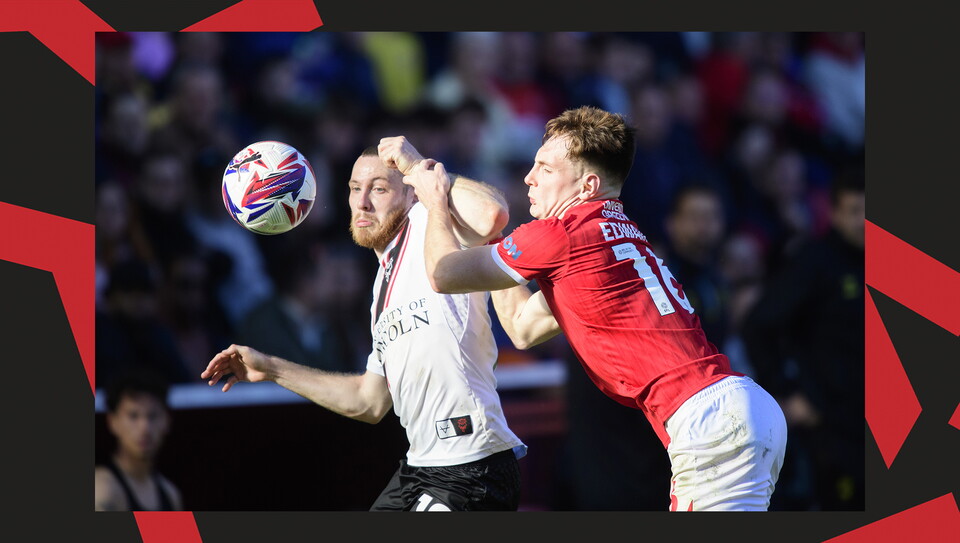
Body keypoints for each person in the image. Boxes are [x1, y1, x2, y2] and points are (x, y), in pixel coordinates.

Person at [399, 105, 787, 511]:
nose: (529, 179)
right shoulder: (622, 236)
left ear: (587, 186)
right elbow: (522, 327)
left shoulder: (563, 233)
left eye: (545, 169)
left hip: (710, 423)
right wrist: (489, 236)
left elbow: (443, 273)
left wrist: (434, 199)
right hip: (739, 410)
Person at [201, 140, 527, 512]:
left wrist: (420, 167)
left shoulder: (430, 225)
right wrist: (272, 368)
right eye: (355, 188)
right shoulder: (381, 287)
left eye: (379, 188)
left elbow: (491, 214)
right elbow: (368, 401)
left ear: (411, 194)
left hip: (472, 466)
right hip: (421, 467)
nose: (362, 201)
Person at [741, 165, 865, 510]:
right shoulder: (815, 261)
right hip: (833, 432)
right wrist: (788, 392)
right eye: (854, 211)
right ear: (835, 213)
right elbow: (758, 325)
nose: (864, 222)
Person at [95, 369, 183, 511]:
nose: (145, 428)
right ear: (112, 422)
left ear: (166, 421)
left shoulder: (171, 494)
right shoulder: (102, 490)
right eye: (133, 416)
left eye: (152, 416)